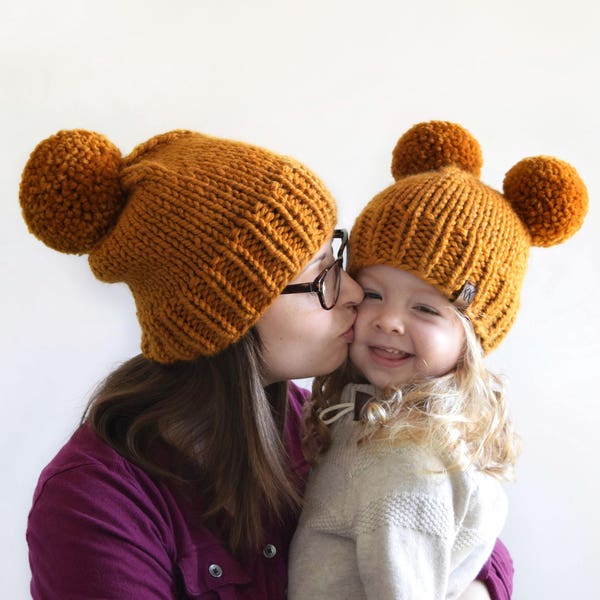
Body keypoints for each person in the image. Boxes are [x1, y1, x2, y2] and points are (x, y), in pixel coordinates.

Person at [20, 127, 514, 599]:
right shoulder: (96, 504)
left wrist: (476, 587)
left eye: (337, 260)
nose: (354, 292)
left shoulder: (319, 421)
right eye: (322, 276)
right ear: (230, 313)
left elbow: (457, 526)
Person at [288, 121, 588, 599]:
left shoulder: (405, 456)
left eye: (425, 308)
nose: (389, 321)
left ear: (472, 337)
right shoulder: (369, 415)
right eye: (373, 293)